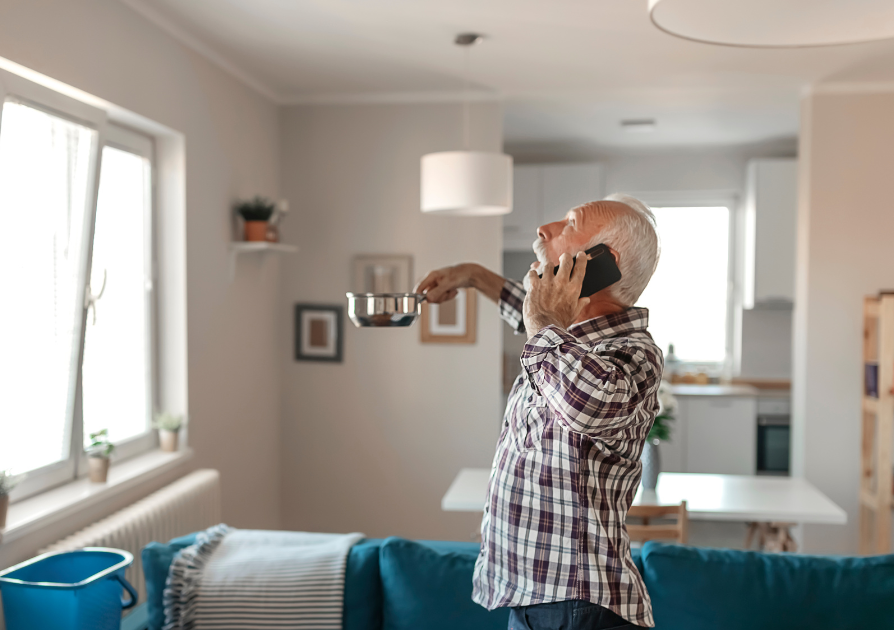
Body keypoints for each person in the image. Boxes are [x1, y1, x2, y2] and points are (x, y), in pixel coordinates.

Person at [415, 194, 662, 630]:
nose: (543, 230)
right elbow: (535, 320)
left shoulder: (632, 352)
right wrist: (473, 276)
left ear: (603, 262)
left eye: (568, 223)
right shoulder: (564, 340)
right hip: (537, 598)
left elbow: (585, 404)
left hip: (577, 605)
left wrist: (544, 323)